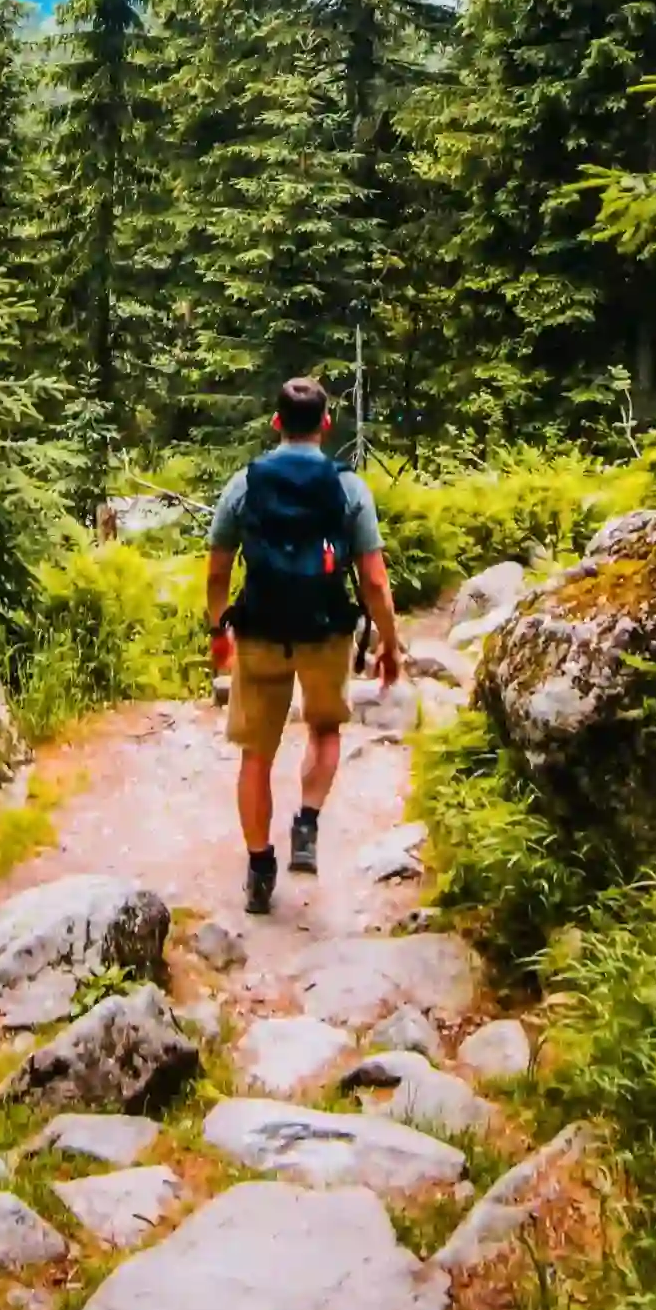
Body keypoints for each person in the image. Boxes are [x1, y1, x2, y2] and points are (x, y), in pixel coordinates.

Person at [204, 375, 402, 914]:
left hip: (261, 630)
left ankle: (259, 865)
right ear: (325, 424)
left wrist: (219, 630)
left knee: (256, 755)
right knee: (324, 728)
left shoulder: (244, 485)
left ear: (275, 423)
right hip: (325, 632)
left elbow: (219, 570)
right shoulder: (349, 488)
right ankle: (307, 823)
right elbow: (376, 582)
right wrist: (390, 645)